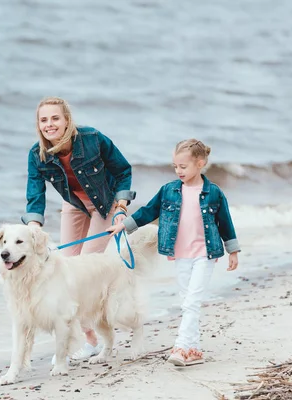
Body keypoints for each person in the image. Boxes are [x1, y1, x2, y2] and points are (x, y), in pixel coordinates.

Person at [106, 138, 240, 367]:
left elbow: (225, 222)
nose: (178, 171)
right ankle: (195, 350)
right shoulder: (168, 191)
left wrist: (233, 251)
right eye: (175, 166)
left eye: (183, 166)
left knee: (192, 301)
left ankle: (179, 346)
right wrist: (124, 226)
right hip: (180, 254)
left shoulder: (214, 193)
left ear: (200, 163)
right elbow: (148, 211)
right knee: (186, 299)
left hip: (205, 254)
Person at [22, 96, 136, 361]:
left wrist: (121, 208)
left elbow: (123, 170)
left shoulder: (93, 139)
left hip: (105, 204)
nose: (49, 124)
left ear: (66, 120)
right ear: (38, 125)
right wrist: (33, 227)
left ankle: (97, 334)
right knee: (64, 269)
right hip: (73, 205)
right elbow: (34, 193)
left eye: (55, 118)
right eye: (43, 120)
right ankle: (88, 340)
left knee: (84, 269)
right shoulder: (36, 154)